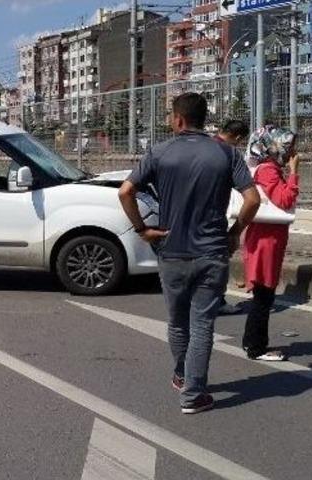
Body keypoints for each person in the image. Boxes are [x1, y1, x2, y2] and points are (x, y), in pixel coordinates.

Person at [118, 93, 260, 414]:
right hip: (211, 252)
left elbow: (126, 191)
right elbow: (252, 200)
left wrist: (142, 230)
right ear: (202, 118)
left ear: (178, 119)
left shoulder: (160, 152)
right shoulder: (226, 153)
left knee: (178, 321)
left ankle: (183, 374)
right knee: (202, 324)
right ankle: (193, 393)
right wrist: (235, 233)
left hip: (171, 251)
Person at [242, 126, 299, 362]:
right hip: (266, 242)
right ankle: (257, 347)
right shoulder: (268, 171)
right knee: (264, 296)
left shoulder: (267, 168)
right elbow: (285, 199)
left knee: (262, 295)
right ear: (274, 146)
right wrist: (294, 172)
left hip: (267, 239)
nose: (292, 152)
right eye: (288, 146)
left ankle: (251, 342)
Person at [214, 120, 251, 316]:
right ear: (237, 138)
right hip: (214, 221)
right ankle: (217, 302)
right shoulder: (230, 154)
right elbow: (252, 200)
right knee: (218, 263)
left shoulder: (202, 146)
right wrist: (235, 232)